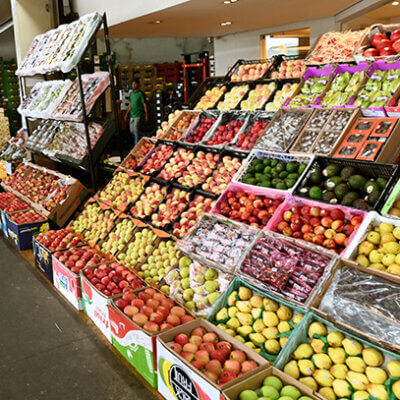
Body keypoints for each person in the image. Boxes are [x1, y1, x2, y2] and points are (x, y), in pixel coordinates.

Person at [124, 79, 148, 145]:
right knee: (132, 130)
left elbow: (144, 104)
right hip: (132, 114)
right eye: (132, 84)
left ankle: (136, 145)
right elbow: (131, 104)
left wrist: (146, 114)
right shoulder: (131, 94)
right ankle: (144, 136)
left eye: (135, 84)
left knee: (135, 129)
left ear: (138, 85)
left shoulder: (140, 94)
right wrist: (126, 114)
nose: (133, 85)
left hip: (138, 114)